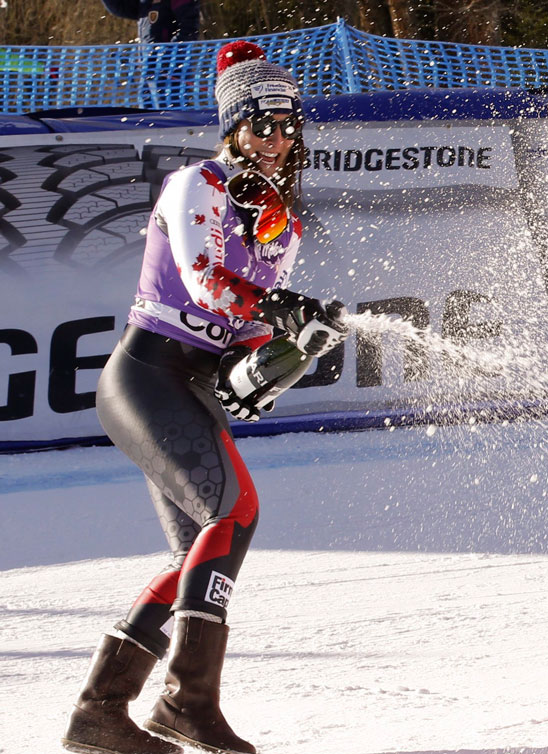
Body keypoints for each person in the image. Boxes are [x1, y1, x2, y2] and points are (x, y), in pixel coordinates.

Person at [61, 41, 346, 754]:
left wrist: (285, 356)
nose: (278, 141)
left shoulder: (285, 224)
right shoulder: (197, 184)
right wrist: (282, 308)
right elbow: (204, 284)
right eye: (263, 125)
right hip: (144, 375)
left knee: (195, 552)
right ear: (233, 127)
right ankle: (187, 701)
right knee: (236, 511)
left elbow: (245, 330)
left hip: (190, 385)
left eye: (288, 127)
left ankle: (99, 714)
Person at [100, 0, 201, 44]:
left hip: (171, 71)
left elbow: (189, 27)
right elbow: (123, 8)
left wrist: (169, 54)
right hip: (148, 68)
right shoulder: (145, 2)